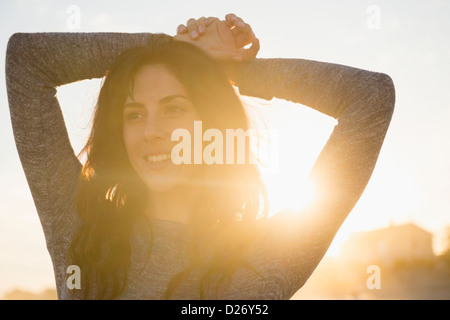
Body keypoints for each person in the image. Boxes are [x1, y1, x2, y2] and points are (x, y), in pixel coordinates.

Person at [5, 13, 395, 300]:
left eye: (174, 109)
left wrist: (228, 70)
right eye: (135, 114)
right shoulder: (78, 230)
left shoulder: (268, 254)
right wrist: (171, 49)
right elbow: (25, 60)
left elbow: (370, 97)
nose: (152, 130)